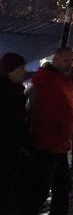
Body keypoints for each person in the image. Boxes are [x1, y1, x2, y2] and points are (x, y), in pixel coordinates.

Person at [27, 46, 73, 215]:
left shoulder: (60, 80)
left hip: (58, 145)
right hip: (48, 145)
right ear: (55, 60)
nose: (70, 64)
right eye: (66, 60)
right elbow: (44, 113)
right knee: (40, 191)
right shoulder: (47, 81)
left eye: (71, 60)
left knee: (62, 187)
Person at [0, 52, 30, 215]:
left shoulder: (15, 91)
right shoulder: (8, 94)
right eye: (21, 68)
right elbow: (13, 125)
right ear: (11, 70)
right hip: (7, 154)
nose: (24, 72)